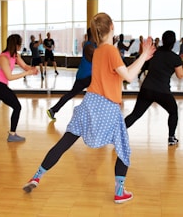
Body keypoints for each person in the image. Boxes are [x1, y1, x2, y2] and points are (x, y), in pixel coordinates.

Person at [22, 12, 155, 204]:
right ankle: (119, 191)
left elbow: (122, 72)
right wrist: (143, 55)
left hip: (89, 102)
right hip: (107, 106)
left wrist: (142, 57)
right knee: (123, 148)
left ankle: (36, 176)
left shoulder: (99, 50)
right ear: (112, 27)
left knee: (65, 142)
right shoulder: (110, 51)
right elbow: (129, 77)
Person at [125, 30, 183, 146]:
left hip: (146, 89)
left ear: (162, 40)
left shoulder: (155, 52)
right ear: (174, 42)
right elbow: (180, 75)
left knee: (135, 115)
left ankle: (116, 134)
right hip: (162, 92)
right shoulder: (174, 58)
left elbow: (160, 58)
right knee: (173, 112)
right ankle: (171, 137)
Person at [47, 28, 96, 120]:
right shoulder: (89, 46)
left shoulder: (93, 45)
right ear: (93, 35)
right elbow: (99, 57)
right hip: (86, 76)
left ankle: (53, 110)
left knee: (93, 95)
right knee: (73, 94)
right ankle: (53, 110)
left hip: (88, 75)